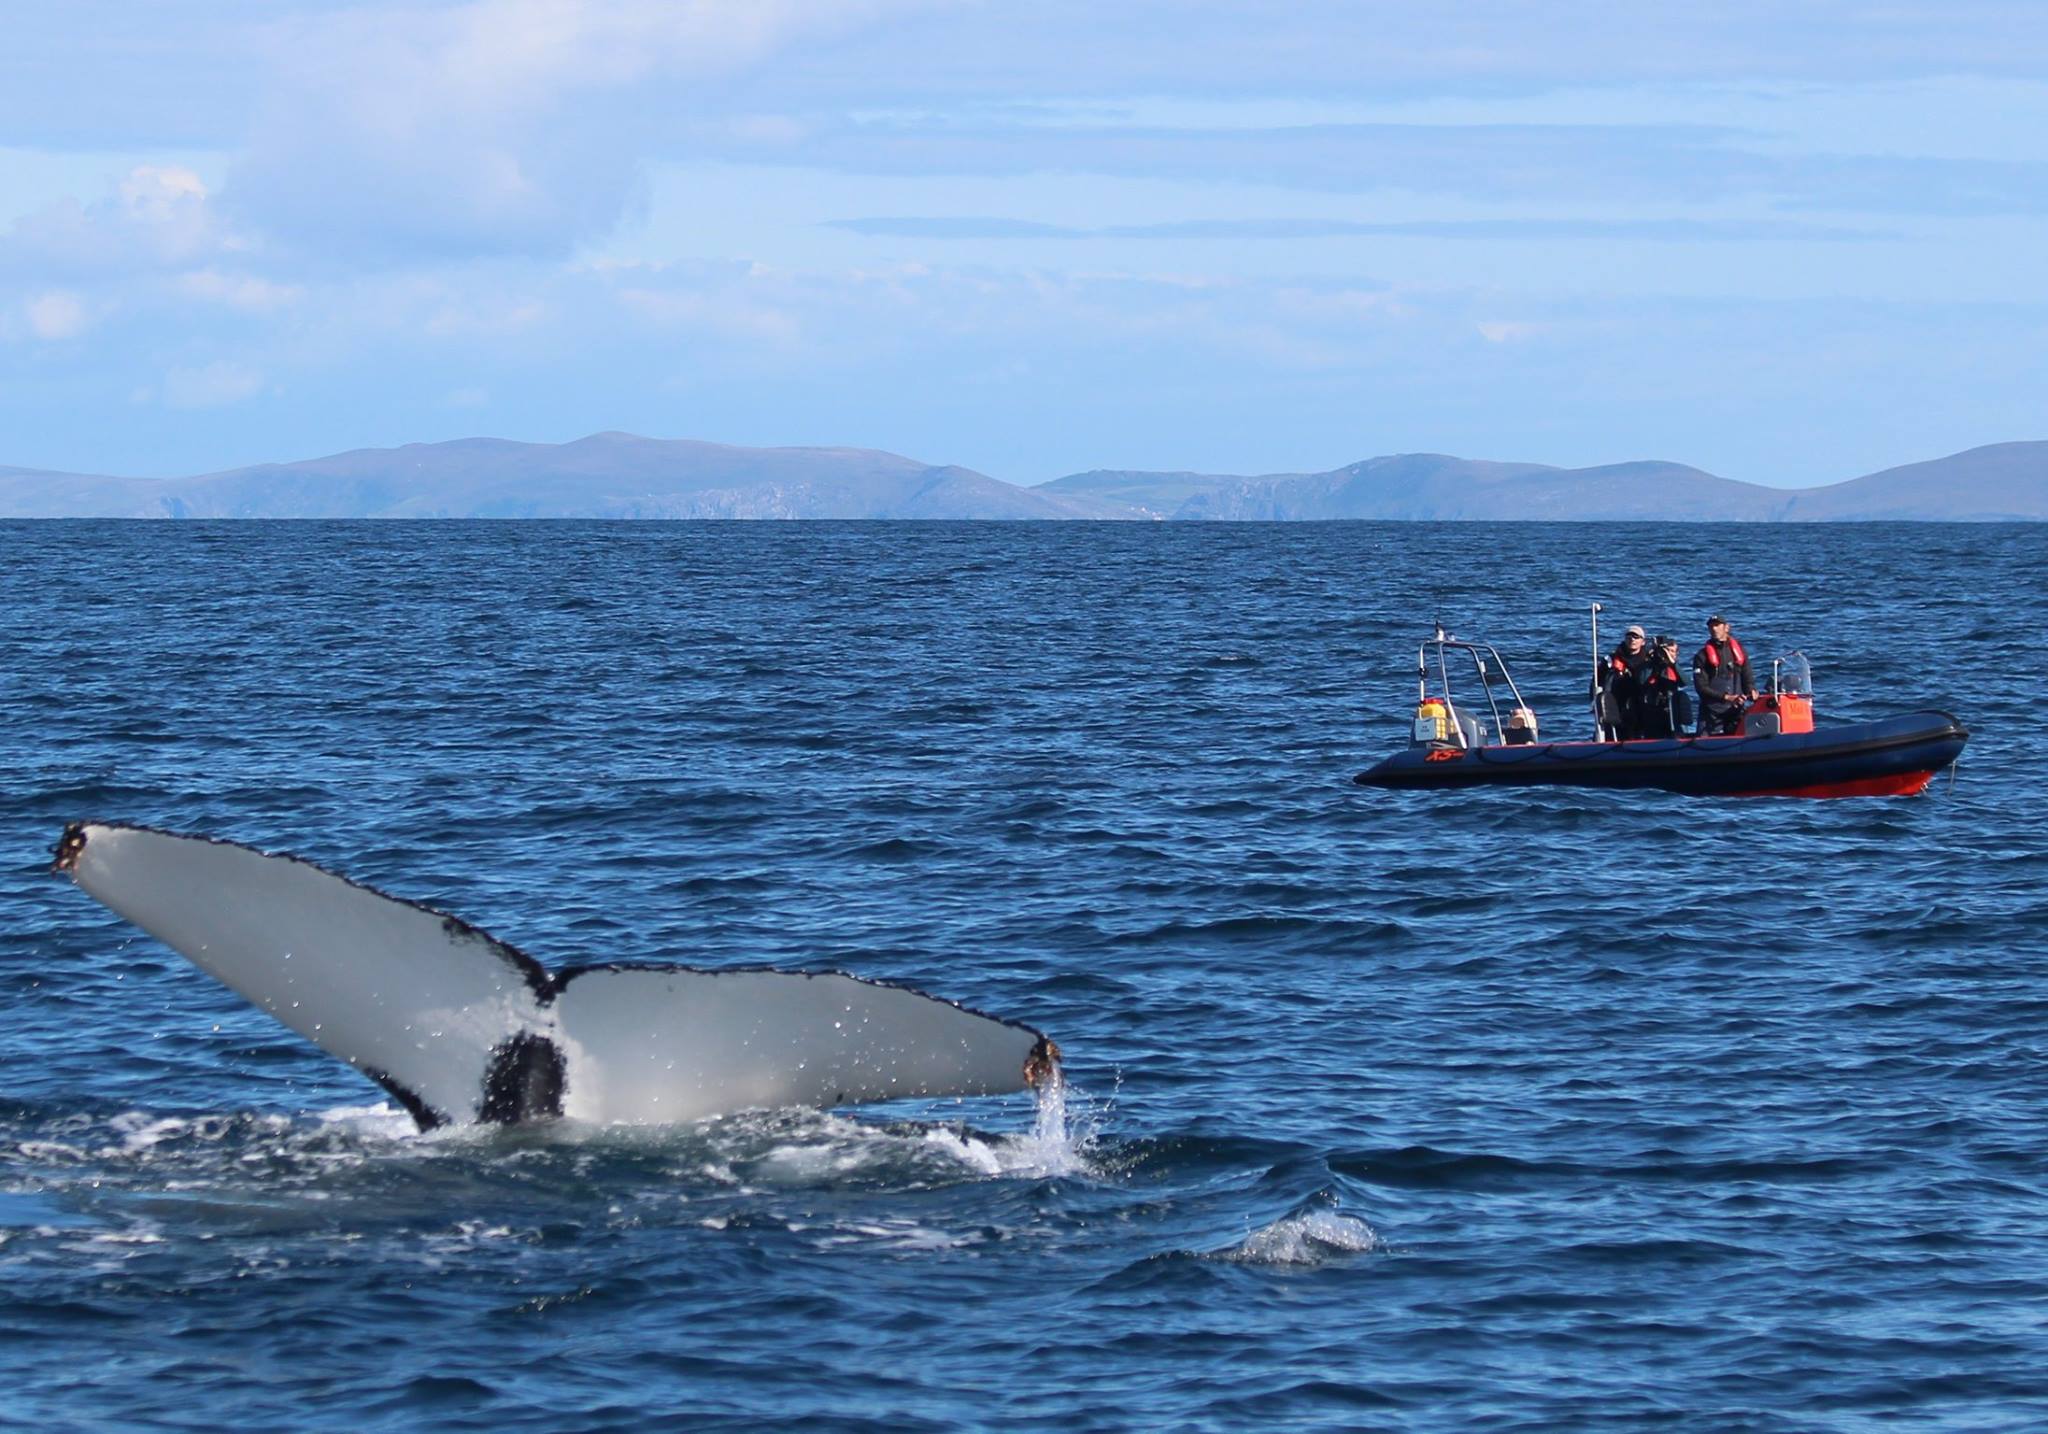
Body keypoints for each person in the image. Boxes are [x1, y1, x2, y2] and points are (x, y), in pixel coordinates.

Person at [1692, 615, 1756, 736]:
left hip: (1735, 710)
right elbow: (1701, 687)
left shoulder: (1739, 651)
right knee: (1703, 741)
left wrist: (1751, 690)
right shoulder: (1702, 656)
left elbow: (1747, 677)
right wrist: (1726, 697)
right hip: (1711, 712)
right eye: (1711, 626)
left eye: (1717, 625)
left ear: (1726, 628)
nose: (1714, 629)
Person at [1601, 624, 1652, 740]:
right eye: (1629, 636)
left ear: (1643, 641)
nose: (1632, 639)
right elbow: (1598, 681)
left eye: (1636, 637)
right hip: (1617, 704)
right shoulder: (1611, 660)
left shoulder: (1649, 659)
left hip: (1642, 704)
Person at [1638, 635, 1691, 738]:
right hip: (1653, 711)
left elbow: (1685, 682)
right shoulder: (1649, 665)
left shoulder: (1674, 668)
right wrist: (1651, 660)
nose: (1669, 654)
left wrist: (1673, 664)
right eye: (1668, 651)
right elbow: (1642, 680)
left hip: (1673, 711)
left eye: (1673, 651)